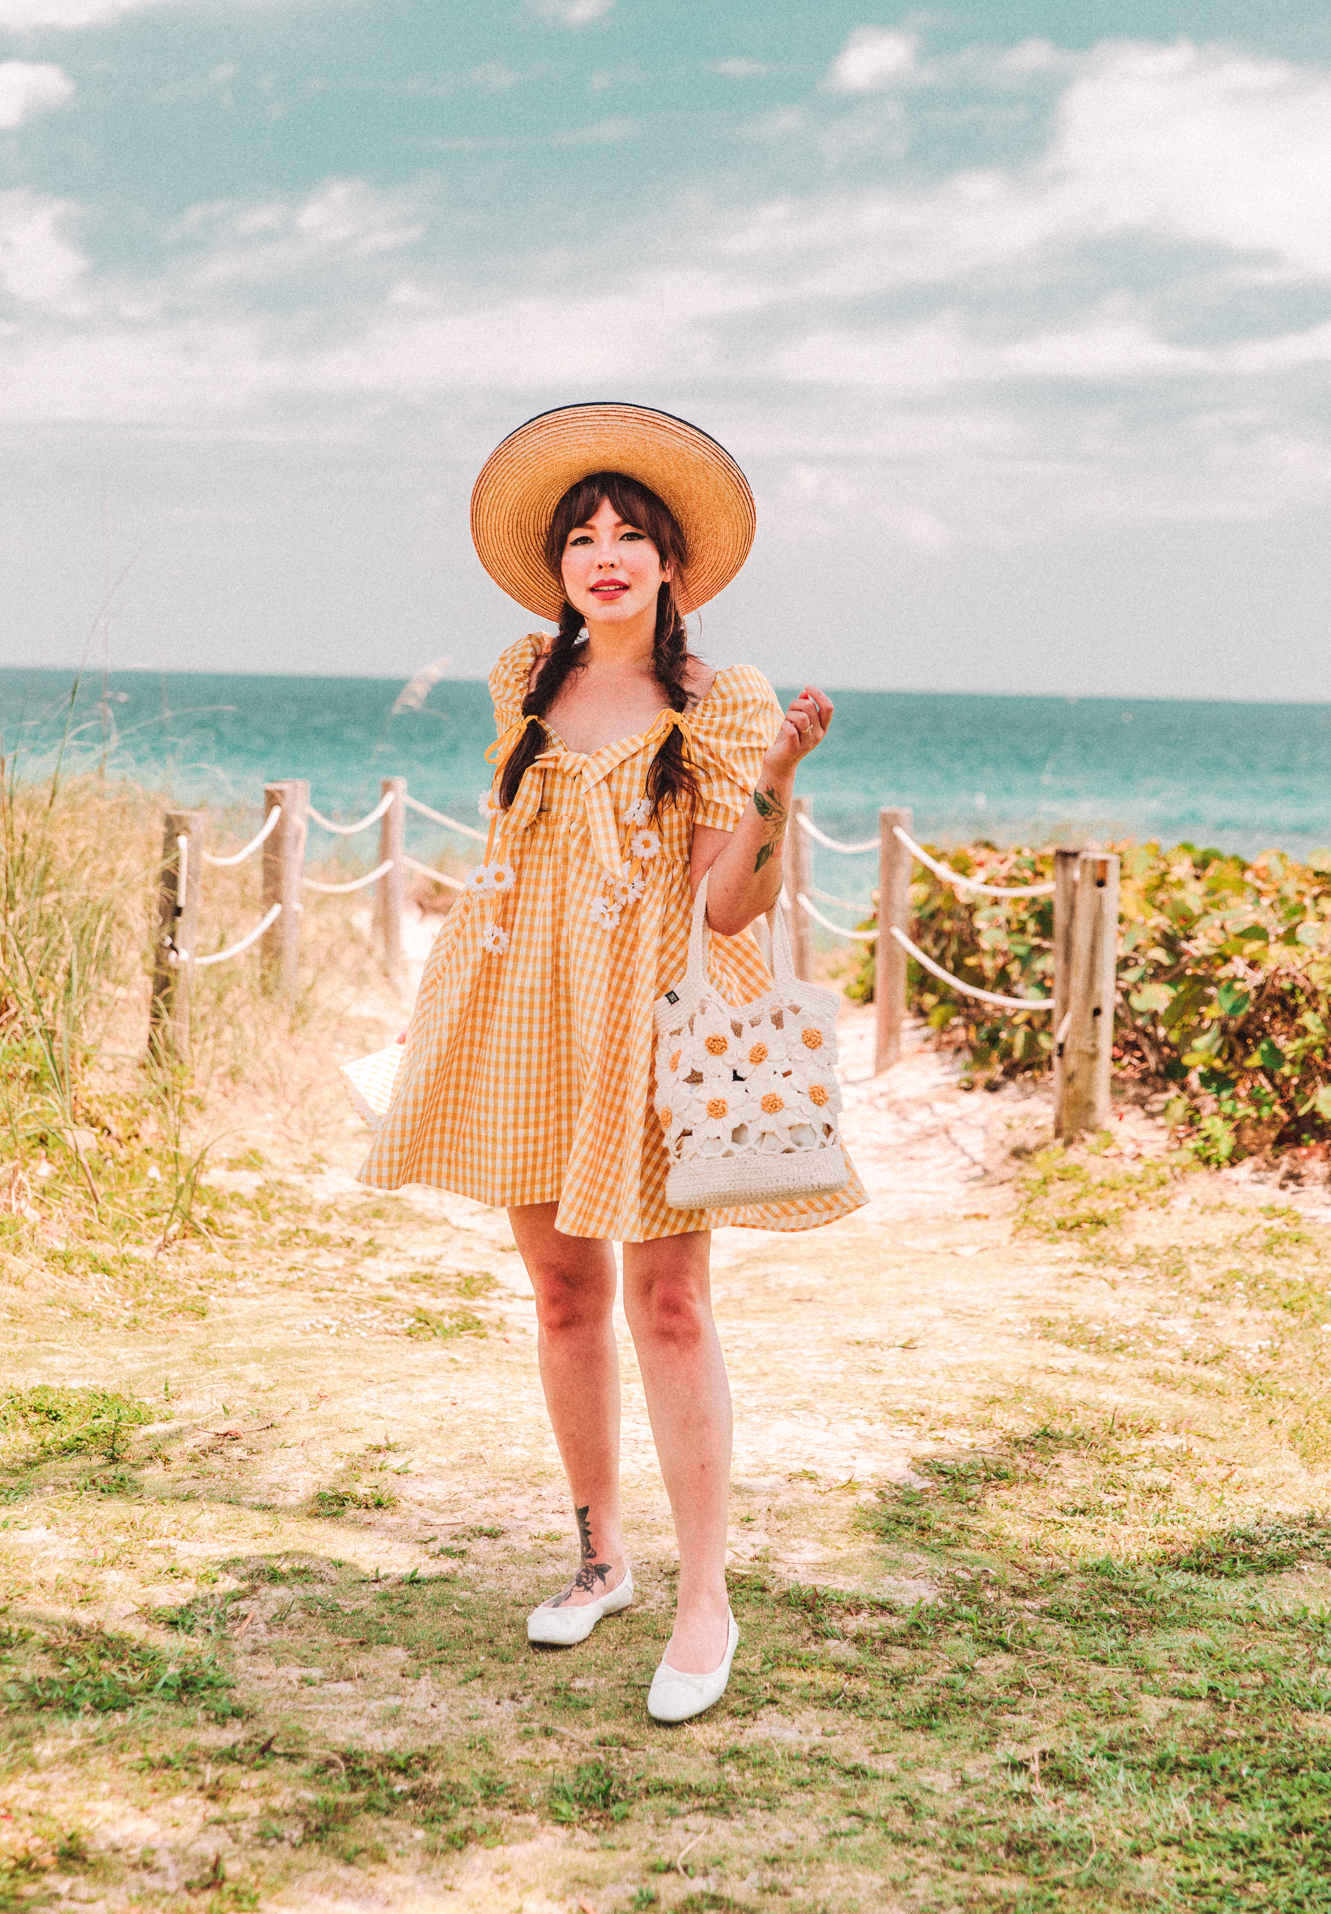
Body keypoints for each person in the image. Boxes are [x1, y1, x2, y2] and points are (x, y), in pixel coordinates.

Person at [361, 402, 866, 1722]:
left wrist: (775, 777)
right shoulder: (522, 676)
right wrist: (441, 1005)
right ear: (560, 565)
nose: (604, 551)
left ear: (669, 565)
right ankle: (600, 1559)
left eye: (628, 534)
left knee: (674, 1305)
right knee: (562, 1295)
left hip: (648, 1016)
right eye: (582, 534)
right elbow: (510, 854)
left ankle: (708, 1599)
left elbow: (733, 905)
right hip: (523, 1003)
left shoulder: (724, 702)